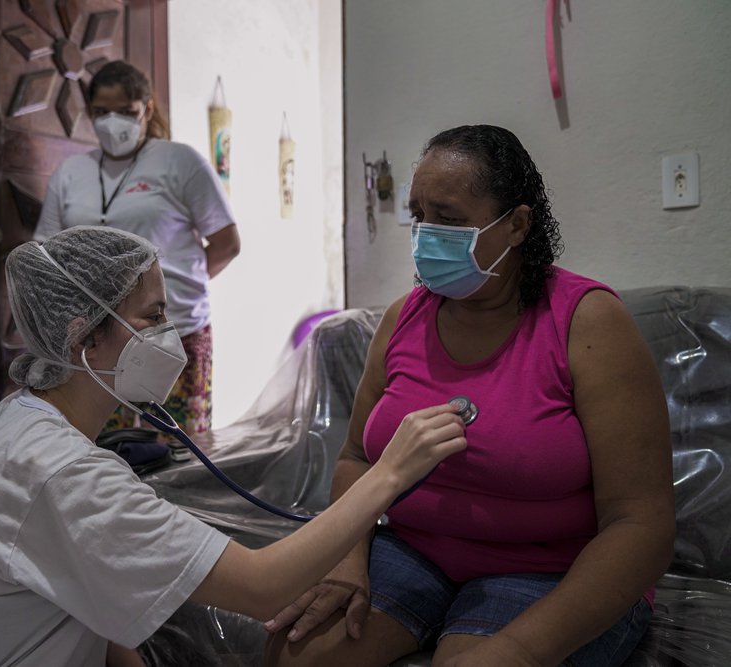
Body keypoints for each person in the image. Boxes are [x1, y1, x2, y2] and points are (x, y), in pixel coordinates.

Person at [0, 225, 467, 667]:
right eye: (152, 317)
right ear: (84, 339)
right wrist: (390, 472)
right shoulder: (65, 475)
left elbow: (81, 597)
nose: (169, 334)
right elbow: (262, 588)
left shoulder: (17, 418)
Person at [264, 125, 675, 667]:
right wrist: (347, 556)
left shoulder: (588, 322)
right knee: (295, 654)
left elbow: (640, 522)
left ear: (517, 225)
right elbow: (356, 459)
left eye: (450, 219)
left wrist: (520, 648)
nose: (427, 235)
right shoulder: (402, 318)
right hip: (412, 552)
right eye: (419, 215)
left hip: (549, 568)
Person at [35, 60, 240, 436]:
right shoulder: (71, 172)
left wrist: (170, 289)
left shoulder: (179, 161)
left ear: (146, 109)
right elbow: (44, 249)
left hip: (173, 332)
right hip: (97, 340)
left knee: (178, 448)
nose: (113, 123)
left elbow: (227, 243)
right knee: (102, 447)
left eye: (126, 112)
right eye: (101, 112)